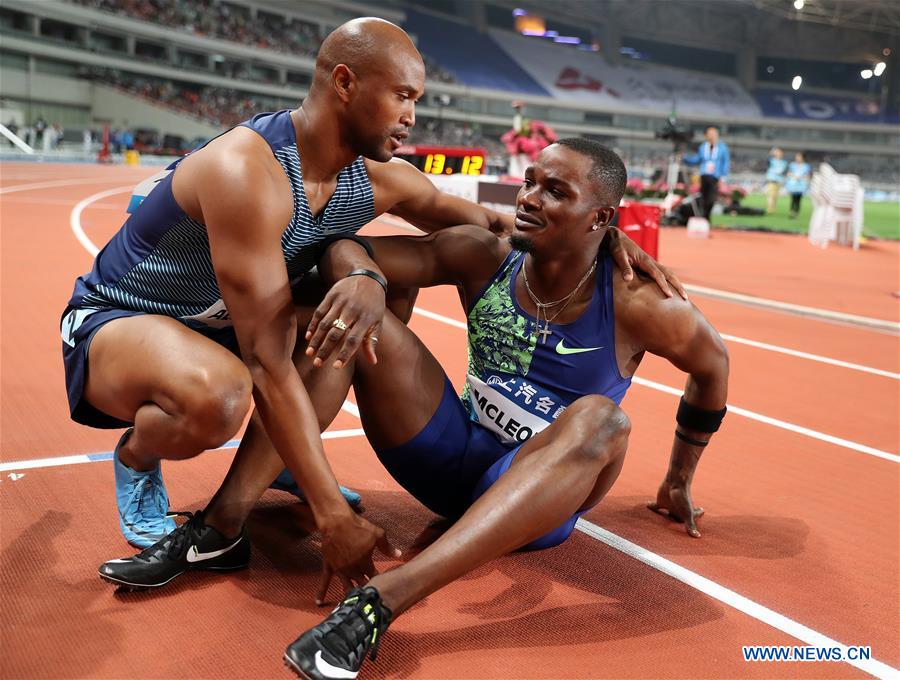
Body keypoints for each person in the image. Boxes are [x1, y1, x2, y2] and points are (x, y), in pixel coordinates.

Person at [70, 18, 676, 582]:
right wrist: (332, 515)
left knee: (346, 325)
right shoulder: (246, 171)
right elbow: (266, 362)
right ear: (344, 83)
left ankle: (275, 470)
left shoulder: (377, 179)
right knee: (221, 395)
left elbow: (501, 227)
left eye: (417, 100)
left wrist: (600, 233)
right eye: (402, 96)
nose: (412, 117)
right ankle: (138, 458)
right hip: (124, 318)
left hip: (226, 326)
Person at [280, 139, 729, 679]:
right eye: (530, 182)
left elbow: (714, 367)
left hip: (534, 497)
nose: (529, 198)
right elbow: (347, 247)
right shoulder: (488, 255)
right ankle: (249, 501)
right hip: (451, 453)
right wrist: (365, 280)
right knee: (359, 315)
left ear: (600, 219)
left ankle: (379, 603)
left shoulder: (644, 303)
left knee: (603, 420)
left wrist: (679, 478)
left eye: (555, 191)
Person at [682, 126, 730, 220]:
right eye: (709, 134)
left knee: (711, 199)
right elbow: (697, 159)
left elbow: (725, 162)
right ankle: (704, 217)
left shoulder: (722, 147)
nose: (711, 136)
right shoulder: (703, 147)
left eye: (713, 134)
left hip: (715, 176)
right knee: (703, 197)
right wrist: (686, 158)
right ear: (706, 135)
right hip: (704, 176)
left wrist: (723, 176)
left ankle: (707, 215)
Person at [785, 151, 811, 219]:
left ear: (803, 158)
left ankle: (796, 212)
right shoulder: (792, 165)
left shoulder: (806, 166)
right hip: (793, 184)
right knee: (793, 199)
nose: (797, 158)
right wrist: (794, 176)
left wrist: (803, 178)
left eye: (799, 156)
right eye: (797, 156)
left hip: (801, 185)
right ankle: (791, 212)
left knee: (798, 199)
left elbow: (808, 175)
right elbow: (788, 173)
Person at [764, 147, 787, 214]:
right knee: (771, 194)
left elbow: (783, 171)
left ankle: (772, 208)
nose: (778, 153)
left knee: (775, 196)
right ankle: (769, 208)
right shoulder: (771, 160)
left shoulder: (784, 162)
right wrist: (770, 154)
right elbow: (767, 162)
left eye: (779, 152)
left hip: (779, 181)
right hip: (771, 180)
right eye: (777, 152)